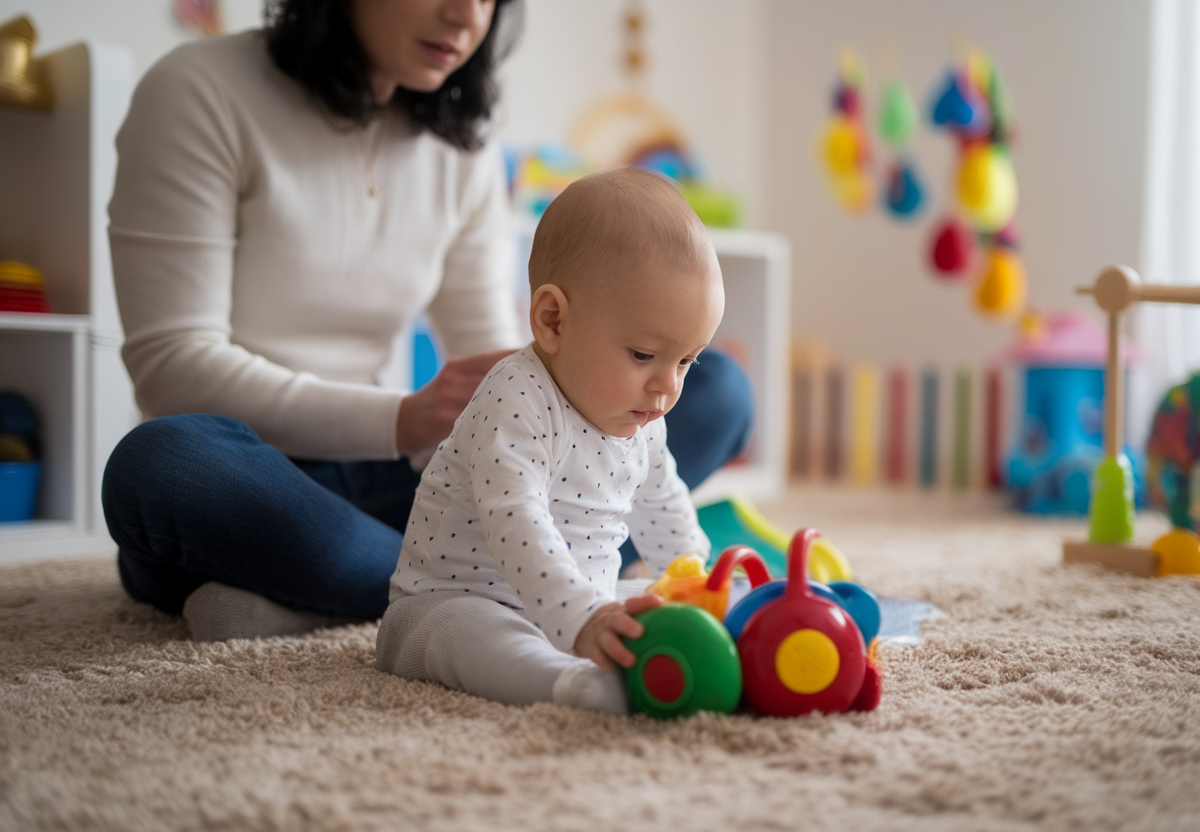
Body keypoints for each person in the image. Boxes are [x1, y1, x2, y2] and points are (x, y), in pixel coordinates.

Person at [101, 0, 752, 642]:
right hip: (257, 474)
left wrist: (530, 402)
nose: (467, 17)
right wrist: (404, 418)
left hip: (421, 482)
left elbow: (516, 352)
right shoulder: (198, 91)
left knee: (712, 390)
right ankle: (442, 588)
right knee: (161, 464)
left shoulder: (459, 144)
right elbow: (173, 366)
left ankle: (340, 593)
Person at [376, 168, 717, 714]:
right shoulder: (517, 397)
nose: (668, 386)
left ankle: (582, 643)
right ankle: (566, 686)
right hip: (457, 603)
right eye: (643, 355)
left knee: (646, 607)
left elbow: (663, 505)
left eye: (686, 361)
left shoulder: (644, 414)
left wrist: (699, 589)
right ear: (553, 320)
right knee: (480, 639)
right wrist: (579, 618)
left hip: (577, 604)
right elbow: (517, 520)